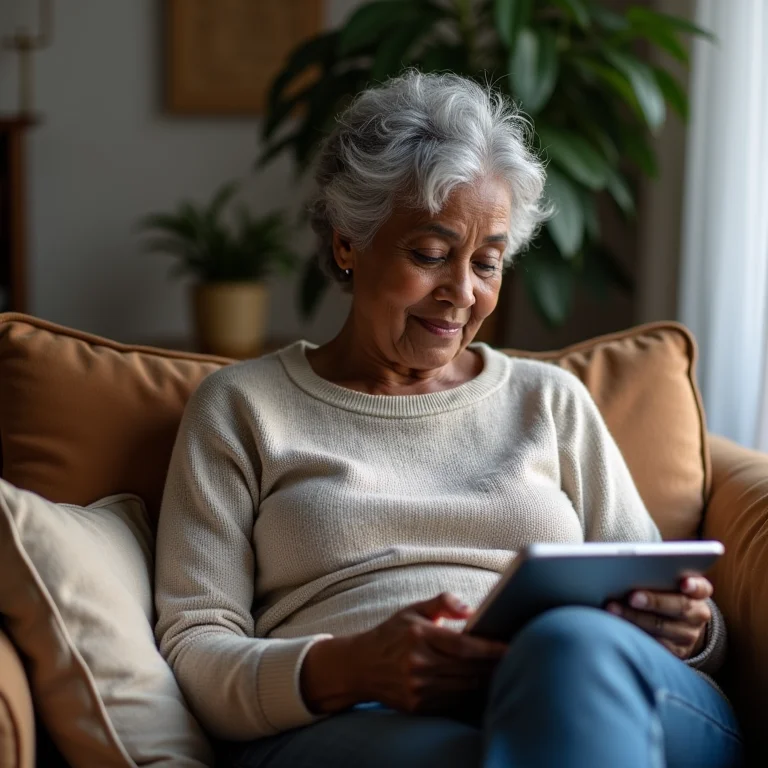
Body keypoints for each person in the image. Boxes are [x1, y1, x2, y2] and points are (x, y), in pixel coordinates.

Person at [155, 71, 743, 767]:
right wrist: (354, 667)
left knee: (568, 648)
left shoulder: (549, 401)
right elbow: (196, 647)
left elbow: (656, 590)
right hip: (361, 719)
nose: (462, 293)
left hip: (591, 685)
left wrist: (690, 628)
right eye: (430, 255)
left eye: (488, 263)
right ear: (347, 244)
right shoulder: (241, 407)